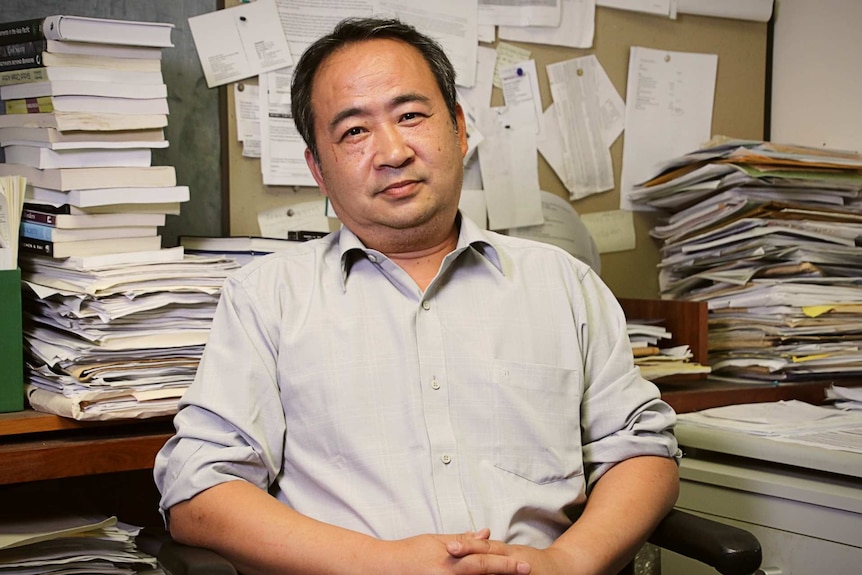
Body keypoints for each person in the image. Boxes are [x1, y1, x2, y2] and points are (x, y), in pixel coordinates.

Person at [154, 17, 679, 575]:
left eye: (410, 116)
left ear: (458, 129)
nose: (393, 151)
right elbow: (197, 490)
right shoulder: (267, 298)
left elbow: (642, 448)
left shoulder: (564, 285)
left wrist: (568, 562)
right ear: (317, 167)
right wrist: (382, 563)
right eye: (354, 131)